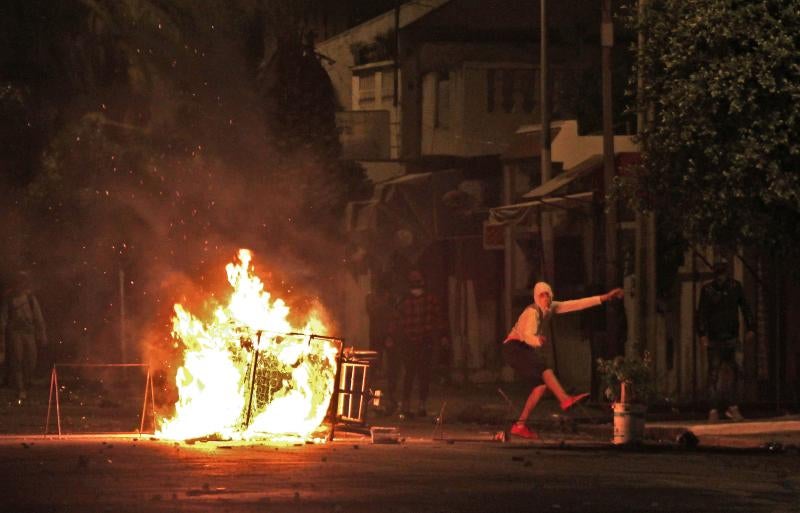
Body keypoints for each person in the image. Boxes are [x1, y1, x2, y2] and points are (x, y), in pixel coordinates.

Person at [503, 281, 624, 439]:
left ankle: (520, 425)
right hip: (513, 347)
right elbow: (527, 335)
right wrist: (536, 340)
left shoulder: (551, 307)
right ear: (536, 298)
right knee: (544, 369)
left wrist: (604, 298)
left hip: (522, 348)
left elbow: (576, 304)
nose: (545, 299)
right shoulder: (533, 312)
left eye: (547, 295)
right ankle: (565, 399)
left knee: (540, 387)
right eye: (541, 296)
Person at [696, 258, 754, 422]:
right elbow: (702, 314)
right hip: (715, 337)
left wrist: (751, 327)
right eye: (718, 273)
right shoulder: (707, 290)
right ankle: (714, 409)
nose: (720, 276)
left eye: (722, 272)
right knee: (714, 374)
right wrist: (703, 334)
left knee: (736, 372)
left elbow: (745, 307)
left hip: (731, 336)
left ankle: (732, 407)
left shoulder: (735, 287)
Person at [388, 270, 449, 418]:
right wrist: (391, 337)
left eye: (418, 279)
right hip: (408, 341)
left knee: (424, 374)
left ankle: (421, 405)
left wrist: (443, 336)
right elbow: (395, 320)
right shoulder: (404, 301)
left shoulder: (430, 300)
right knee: (409, 373)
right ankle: (406, 404)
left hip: (425, 340)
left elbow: (439, 319)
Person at [0, 271, 48, 402]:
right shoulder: (9, 298)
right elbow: (3, 318)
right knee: (17, 360)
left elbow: (38, 318)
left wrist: (42, 334)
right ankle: (20, 389)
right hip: (15, 332)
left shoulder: (30, 299)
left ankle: (25, 384)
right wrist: (2, 336)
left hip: (29, 332)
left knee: (31, 360)